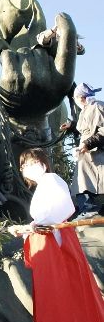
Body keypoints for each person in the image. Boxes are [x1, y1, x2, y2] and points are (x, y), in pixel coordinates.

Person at [8, 147, 104, 322]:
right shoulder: (42, 187)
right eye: (24, 166)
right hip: (45, 242)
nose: (28, 169)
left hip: (55, 242)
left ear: (43, 163)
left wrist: (33, 226)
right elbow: (41, 221)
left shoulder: (52, 179)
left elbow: (62, 208)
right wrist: (27, 229)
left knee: (62, 292)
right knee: (50, 296)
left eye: (32, 163)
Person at [60, 82, 104, 219]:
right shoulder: (85, 110)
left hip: (97, 154)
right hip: (86, 156)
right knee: (81, 184)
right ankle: (87, 208)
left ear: (81, 98)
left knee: (94, 183)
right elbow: (85, 130)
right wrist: (71, 126)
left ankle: (93, 209)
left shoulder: (97, 106)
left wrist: (89, 143)